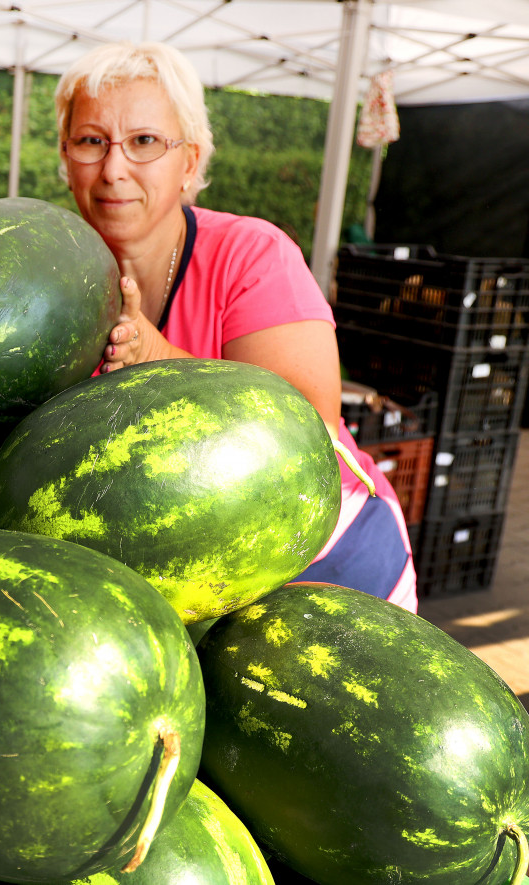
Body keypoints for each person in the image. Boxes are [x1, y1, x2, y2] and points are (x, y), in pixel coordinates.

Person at [54, 40, 417, 612]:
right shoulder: (55, 277)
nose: (113, 168)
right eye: (91, 141)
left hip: (322, 564)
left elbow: (305, 427)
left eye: (144, 141)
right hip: (189, 584)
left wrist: (160, 358)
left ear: (191, 161)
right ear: (65, 153)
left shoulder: (252, 254)